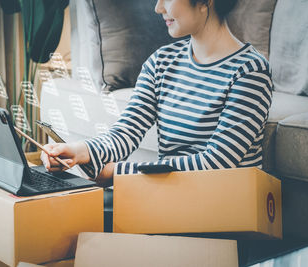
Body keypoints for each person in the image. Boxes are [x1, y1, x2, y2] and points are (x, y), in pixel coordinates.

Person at [41, 0, 273, 187]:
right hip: (170, 197)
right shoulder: (161, 62)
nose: (158, 7)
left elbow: (218, 163)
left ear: (205, 2)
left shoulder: (250, 70)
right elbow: (126, 133)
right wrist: (78, 150)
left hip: (226, 208)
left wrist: (116, 172)